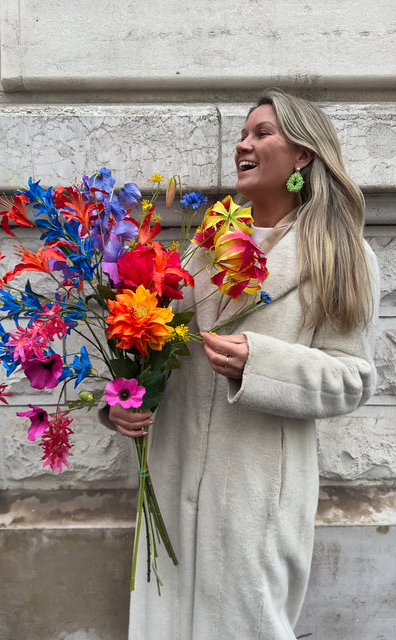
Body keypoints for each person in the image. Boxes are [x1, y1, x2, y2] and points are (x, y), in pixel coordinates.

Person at [108, 88, 380, 640]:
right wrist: (119, 406)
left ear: (303, 154)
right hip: (170, 476)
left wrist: (263, 363)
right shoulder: (201, 247)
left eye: (261, 133)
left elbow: (353, 378)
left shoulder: (341, 254)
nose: (243, 145)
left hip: (257, 495)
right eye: (242, 134)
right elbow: (148, 354)